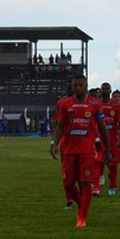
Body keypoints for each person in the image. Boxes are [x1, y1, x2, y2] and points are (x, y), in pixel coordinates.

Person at [51, 74, 112, 227]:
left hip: (87, 150)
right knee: (69, 185)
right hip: (69, 150)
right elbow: (60, 126)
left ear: (85, 86)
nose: (77, 88)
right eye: (75, 85)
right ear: (72, 87)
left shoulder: (94, 104)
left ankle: (82, 218)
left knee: (85, 183)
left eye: (80, 85)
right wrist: (54, 144)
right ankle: (81, 204)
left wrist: (108, 150)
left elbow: (102, 128)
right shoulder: (65, 104)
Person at [51, 81, 75, 209]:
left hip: (84, 142)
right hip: (66, 142)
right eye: (71, 87)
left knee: (82, 175)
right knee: (67, 174)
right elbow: (58, 124)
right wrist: (54, 143)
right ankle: (69, 199)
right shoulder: (62, 103)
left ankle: (82, 198)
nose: (73, 89)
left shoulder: (89, 103)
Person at [99, 83, 120, 195]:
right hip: (99, 139)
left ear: (110, 90)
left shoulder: (116, 105)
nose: (105, 90)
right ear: (100, 90)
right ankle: (97, 182)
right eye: (103, 89)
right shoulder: (96, 104)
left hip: (113, 139)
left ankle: (112, 186)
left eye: (107, 89)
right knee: (98, 161)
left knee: (113, 164)